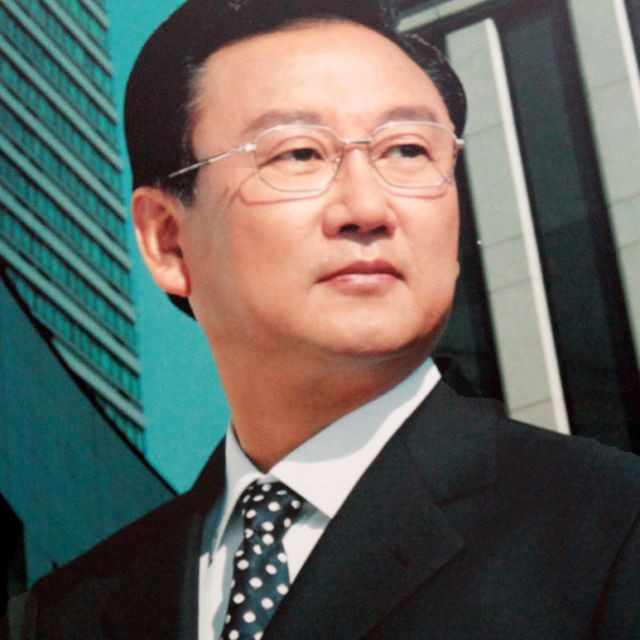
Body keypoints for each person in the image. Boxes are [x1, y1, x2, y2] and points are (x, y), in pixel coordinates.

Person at [9, 1, 640, 638]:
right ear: (169, 240)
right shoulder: (63, 615)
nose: (367, 207)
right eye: (299, 154)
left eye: (408, 150)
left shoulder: (611, 528)